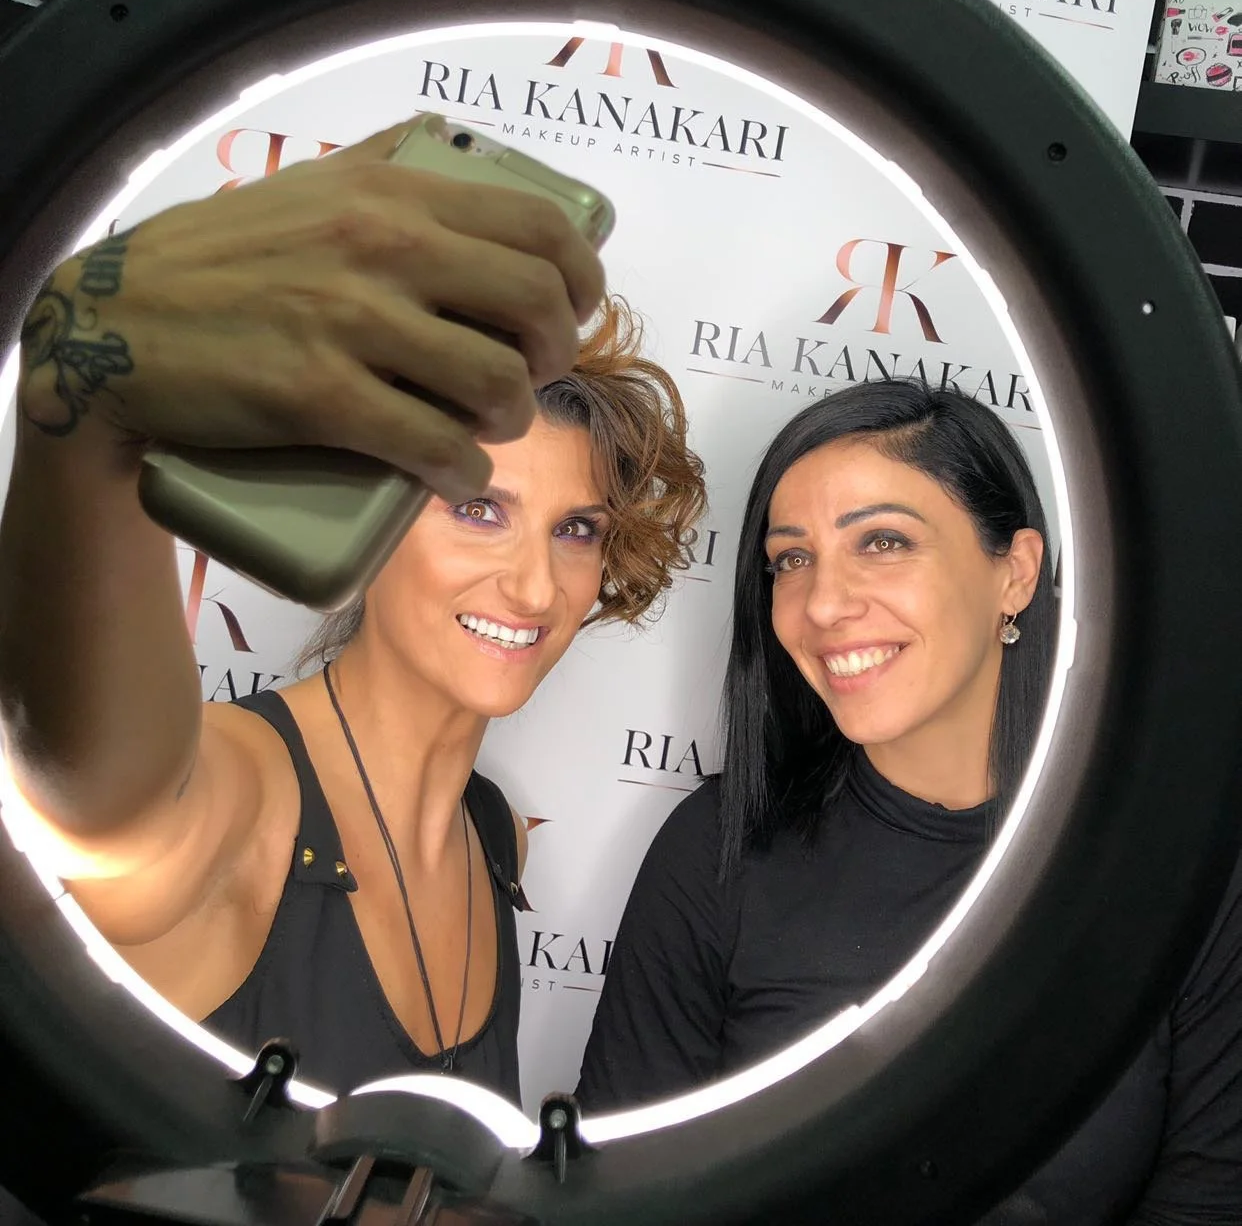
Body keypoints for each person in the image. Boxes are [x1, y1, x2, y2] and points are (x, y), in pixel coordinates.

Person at [0, 120, 706, 1103]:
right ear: (366, 517)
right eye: (477, 508)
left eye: (577, 530)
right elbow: (94, 812)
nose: (537, 587)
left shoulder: (494, 836)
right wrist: (80, 402)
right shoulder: (238, 795)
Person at [577, 380, 1242, 1223]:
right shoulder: (713, 855)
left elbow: (1214, 1195)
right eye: (791, 558)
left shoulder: (1180, 865)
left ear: (1017, 573)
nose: (823, 603)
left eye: (883, 541)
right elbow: (624, 1202)